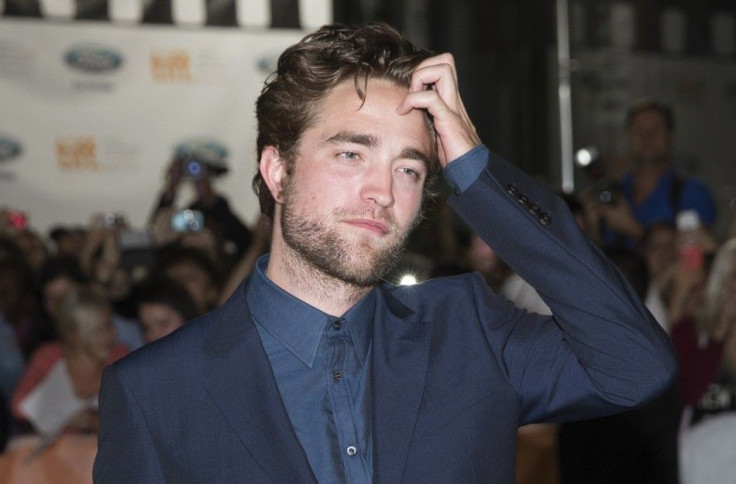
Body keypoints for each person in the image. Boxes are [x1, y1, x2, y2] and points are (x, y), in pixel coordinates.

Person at [93, 23, 677, 483]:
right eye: (352, 154)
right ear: (277, 170)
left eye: (409, 167)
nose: (383, 191)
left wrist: (476, 169)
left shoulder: (471, 333)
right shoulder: (155, 392)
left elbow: (636, 365)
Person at [587, 99, 717, 248]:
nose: (647, 137)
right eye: (639, 130)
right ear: (628, 137)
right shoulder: (613, 193)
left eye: (655, 129)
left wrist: (634, 230)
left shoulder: (693, 193)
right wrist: (592, 228)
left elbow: (700, 249)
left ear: (670, 137)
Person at [11, 286, 128, 434]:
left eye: (108, 326)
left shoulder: (121, 357)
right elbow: (19, 407)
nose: (105, 337)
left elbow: (134, 418)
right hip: (56, 452)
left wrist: (93, 421)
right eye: (94, 331)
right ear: (72, 334)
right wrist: (61, 413)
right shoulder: (49, 357)